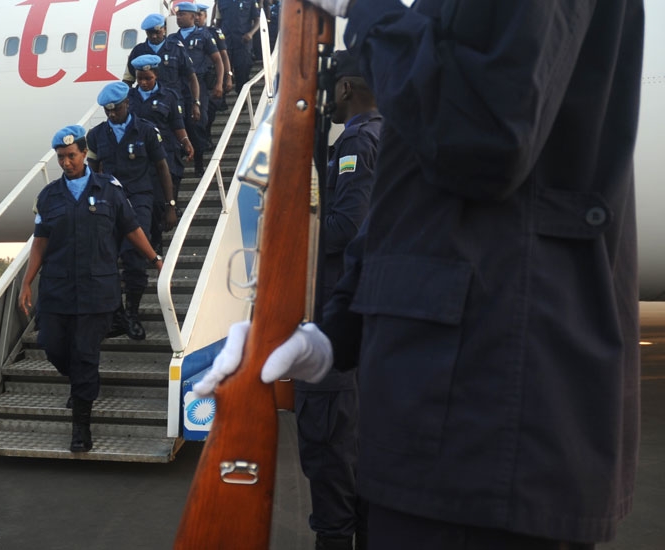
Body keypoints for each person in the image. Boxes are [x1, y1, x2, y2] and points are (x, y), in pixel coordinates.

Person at [196, 1, 644, 549]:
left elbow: (487, 138)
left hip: (489, 424)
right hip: (439, 417)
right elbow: (415, 203)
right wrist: (330, 334)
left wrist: (368, 12)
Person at [18, 125, 163, 453]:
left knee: (85, 356)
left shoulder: (109, 189)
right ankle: (81, 383)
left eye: (71, 156)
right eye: (61, 157)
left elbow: (131, 228)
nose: (66, 162)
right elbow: (40, 244)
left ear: (84, 154)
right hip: (56, 291)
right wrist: (27, 282)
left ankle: (81, 426)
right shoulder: (49, 196)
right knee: (53, 347)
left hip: (97, 291)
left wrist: (154, 258)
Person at [293, 49, 381, 550]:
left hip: (336, 330)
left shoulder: (357, 142)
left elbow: (347, 228)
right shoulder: (386, 136)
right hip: (365, 328)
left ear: (345, 89)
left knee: (331, 462)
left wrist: (288, 230)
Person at [86, 82, 175, 341]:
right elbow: (91, 170)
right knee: (106, 260)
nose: (112, 114)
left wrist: (170, 206)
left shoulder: (146, 131)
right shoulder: (96, 135)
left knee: (135, 257)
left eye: (117, 109)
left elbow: (162, 168)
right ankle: (118, 315)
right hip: (108, 201)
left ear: (128, 104)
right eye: (107, 111)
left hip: (139, 199)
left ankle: (133, 314)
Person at [127, 54, 194, 253]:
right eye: (140, 78)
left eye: (148, 78)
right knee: (145, 205)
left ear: (156, 75)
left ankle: (156, 242)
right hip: (139, 159)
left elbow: (176, 123)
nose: (144, 82)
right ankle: (152, 246)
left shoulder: (169, 96)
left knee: (158, 202)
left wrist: (186, 142)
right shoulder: (129, 98)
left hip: (163, 154)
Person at [169, 2, 224, 176]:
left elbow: (218, 60)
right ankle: (183, 159)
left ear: (193, 16)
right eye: (177, 15)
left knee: (198, 122)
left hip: (198, 83)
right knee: (179, 122)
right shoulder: (172, 39)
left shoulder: (204, 36)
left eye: (182, 15)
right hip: (178, 86)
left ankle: (199, 163)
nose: (178, 18)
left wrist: (220, 82)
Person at [124, 12, 200, 123]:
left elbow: (192, 77)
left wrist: (196, 102)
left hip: (172, 106)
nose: (154, 36)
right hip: (146, 108)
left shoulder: (176, 48)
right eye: (150, 33)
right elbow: (127, 80)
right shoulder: (138, 51)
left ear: (164, 29)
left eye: (157, 32)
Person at [196, 2, 234, 143]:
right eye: (194, 15)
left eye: (199, 15)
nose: (196, 18)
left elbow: (224, 56)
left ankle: (207, 134)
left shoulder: (214, 33)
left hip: (211, 78)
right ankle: (203, 139)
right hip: (196, 79)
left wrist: (228, 77)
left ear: (205, 16)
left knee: (211, 110)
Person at [215, 0, 259, 94]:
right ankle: (222, 104)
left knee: (243, 72)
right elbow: (218, 22)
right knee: (223, 72)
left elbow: (258, 20)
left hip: (243, 42)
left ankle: (242, 101)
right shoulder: (221, 2)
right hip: (226, 42)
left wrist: (251, 33)